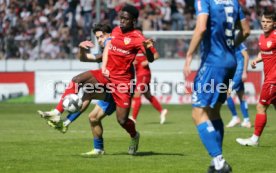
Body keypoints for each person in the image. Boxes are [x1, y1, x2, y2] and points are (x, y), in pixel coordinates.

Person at [39, 5, 158, 155]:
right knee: (78, 80)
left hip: (123, 84)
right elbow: (108, 49)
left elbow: (152, 59)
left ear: (134, 21)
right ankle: (57, 112)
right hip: (107, 76)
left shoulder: (138, 38)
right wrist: (104, 66)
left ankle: (134, 135)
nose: (121, 21)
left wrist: (147, 48)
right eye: (121, 18)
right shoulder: (115, 31)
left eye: (125, 19)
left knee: (122, 121)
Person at [183, 0, 250, 172]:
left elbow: (201, 28)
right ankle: (216, 162)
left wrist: (189, 55)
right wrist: (232, 46)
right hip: (231, 62)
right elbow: (246, 31)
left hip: (213, 63)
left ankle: (218, 160)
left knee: (198, 113)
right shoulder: (234, 2)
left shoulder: (204, 1)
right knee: (214, 112)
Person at [236, 11, 276, 147]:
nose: (265, 24)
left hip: (273, 79)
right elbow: (264, 53)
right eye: (263, 21)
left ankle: (254, 139)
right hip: (269, 77)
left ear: (274, 23)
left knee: (261, 106)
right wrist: (256, 60)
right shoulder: (262, 37)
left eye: (268, 22)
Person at [129, 28, 167, 124]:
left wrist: (146, 61)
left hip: (144, 74)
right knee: (148, 95)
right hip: (139, 74)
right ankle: (162, 111)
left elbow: (156, 55)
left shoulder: (145, 44)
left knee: (137, 94)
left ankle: (133, 118)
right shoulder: (133, 46)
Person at [226, 43, 251, 128]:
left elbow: (246, 56)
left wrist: (244, 71)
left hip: (239, 73)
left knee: (226, 92)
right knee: (241, 95)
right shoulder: (226, 42)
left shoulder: (237, 41)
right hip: (234, 73)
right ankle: (246, 120)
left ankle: (235, 117)